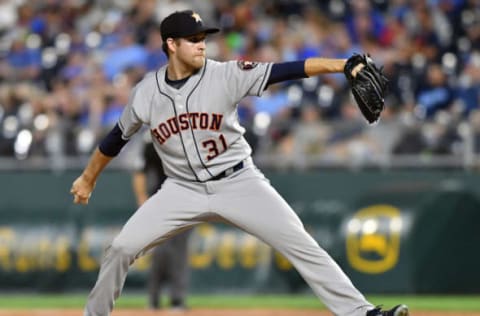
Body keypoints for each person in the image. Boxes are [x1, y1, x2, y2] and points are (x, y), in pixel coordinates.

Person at [70, 10, 409, 316]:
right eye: (193, 40)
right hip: (180, 189)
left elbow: (287, 70)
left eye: (204, 38)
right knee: (120, 248)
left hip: (238, 182)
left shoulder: (225, 75)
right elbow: (115, 139)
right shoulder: (146, 92)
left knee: (300, 242)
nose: (202, 45)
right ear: (171, 44)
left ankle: (360, 313)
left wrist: (341, 65)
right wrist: (88, 178)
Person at [131, 139, 190, 310]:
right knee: (163, 251)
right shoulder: (152, 142)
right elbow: (140, 171)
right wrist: (142, 198)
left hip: (185, 201)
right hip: (162, 200)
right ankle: (156, 298)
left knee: (178, 252)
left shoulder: (188, 138)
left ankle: (175, 299)